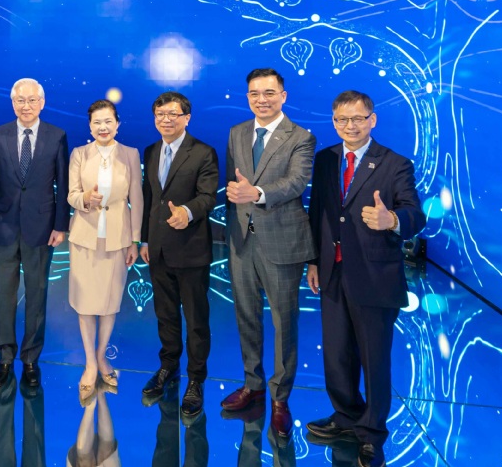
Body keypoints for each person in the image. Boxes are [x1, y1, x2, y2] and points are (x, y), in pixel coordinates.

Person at [304, 90, 426, 467]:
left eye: (358, 118)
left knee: (374, 359)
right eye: (342, 119)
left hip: (375, 277)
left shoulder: (395, 164)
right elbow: (319, 212)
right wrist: (314, 260)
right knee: (336, 353)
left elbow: (415, 214)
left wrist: (393, 221)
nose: (350, 126)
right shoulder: (326, 159)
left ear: (372, 120)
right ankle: (346, 415)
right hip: (332, 272)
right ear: (334, 121)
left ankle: (372, 432)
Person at [221, 67, 316, 440]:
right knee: (246, 317)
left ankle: (280, 397)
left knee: (283, 323)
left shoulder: (301, 137)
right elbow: (232, 185)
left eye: (269, 93)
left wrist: (257, 194)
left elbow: (296, 182)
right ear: (248, 97)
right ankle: (253, 384)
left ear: (283, 96)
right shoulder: (237, 132)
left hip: (282, 242)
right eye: (254, 93)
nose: (261, 99)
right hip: (242, 241)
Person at [0, 78, 70, 392]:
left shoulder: (57, 135)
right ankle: (4, 357)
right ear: (12, 103)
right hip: (3, 227)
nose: (26, 106)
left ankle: (31, 359)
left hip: (42, 228)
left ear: (42, 103)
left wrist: (60, 225)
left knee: (37, 294)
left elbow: (63, 183)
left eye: (32, 100)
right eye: (20, 100)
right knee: (3, 296)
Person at [139, 91, 219, 418]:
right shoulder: (151, 151)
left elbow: (208, 196)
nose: (166, 120)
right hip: (158, 249)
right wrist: (145, 240)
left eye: (173, 114)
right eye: (160, 114)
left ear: (187, 117)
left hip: (191, 250)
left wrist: (187, 211)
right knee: (166, 314)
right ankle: (168, 367)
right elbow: (149, 200)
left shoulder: (203, 152)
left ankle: (196, 379)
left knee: (196, 320)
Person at [67, 99, 143, 398]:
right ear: (90, 127)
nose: (103, 127)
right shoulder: (79, 154)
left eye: (108, 121)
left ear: (117, 124)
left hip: (117, 238)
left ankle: (101, 357)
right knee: (85, 303)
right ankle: (89, 363)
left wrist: (135, 240)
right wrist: (85, 198)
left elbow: (136, 199)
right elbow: (71, 194)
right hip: (84, 237)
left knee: (110, 302)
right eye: (97, 122)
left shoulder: (131, 154)